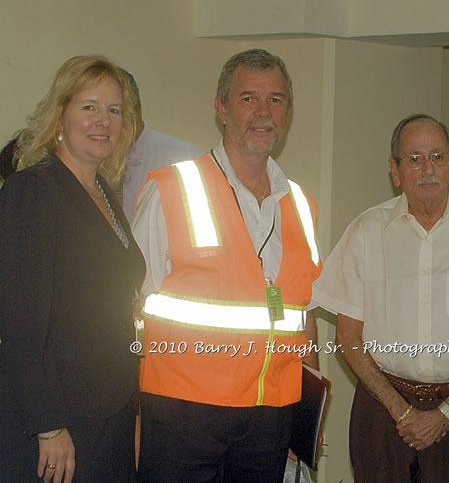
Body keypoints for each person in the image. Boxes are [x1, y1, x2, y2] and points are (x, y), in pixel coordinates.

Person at [132, 49, 322, 482]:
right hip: (183, 413)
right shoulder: (172, 189)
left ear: (287, 111)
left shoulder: (301, 205)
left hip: (270, 416)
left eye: (275, 100)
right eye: (248, 98)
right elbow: (128, 307)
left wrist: (304, 421)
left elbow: (301, 317)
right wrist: (134, 412)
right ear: (221, 108)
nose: (263, 112)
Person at [313, 114, 449, 482]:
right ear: (395, 170)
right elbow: (347, 337)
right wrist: (402, 411)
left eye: (438, 157)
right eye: (415, 158)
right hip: (382, 409)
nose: (428, 169)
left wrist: (445, 413)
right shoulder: (366, 231)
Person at [0, 55, 145, 482]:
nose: (103, 121)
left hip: (109, 412)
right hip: (57, 423)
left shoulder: (103, 189)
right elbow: (22, 322)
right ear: (60, 113)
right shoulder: (33, 191)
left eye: (114, 110)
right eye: (89, 107)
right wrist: (49, 426)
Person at [119, 69, 203, 223]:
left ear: (136, 106)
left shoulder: (183, 160)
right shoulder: (87, 163)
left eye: (115, 110)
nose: (107, 121)